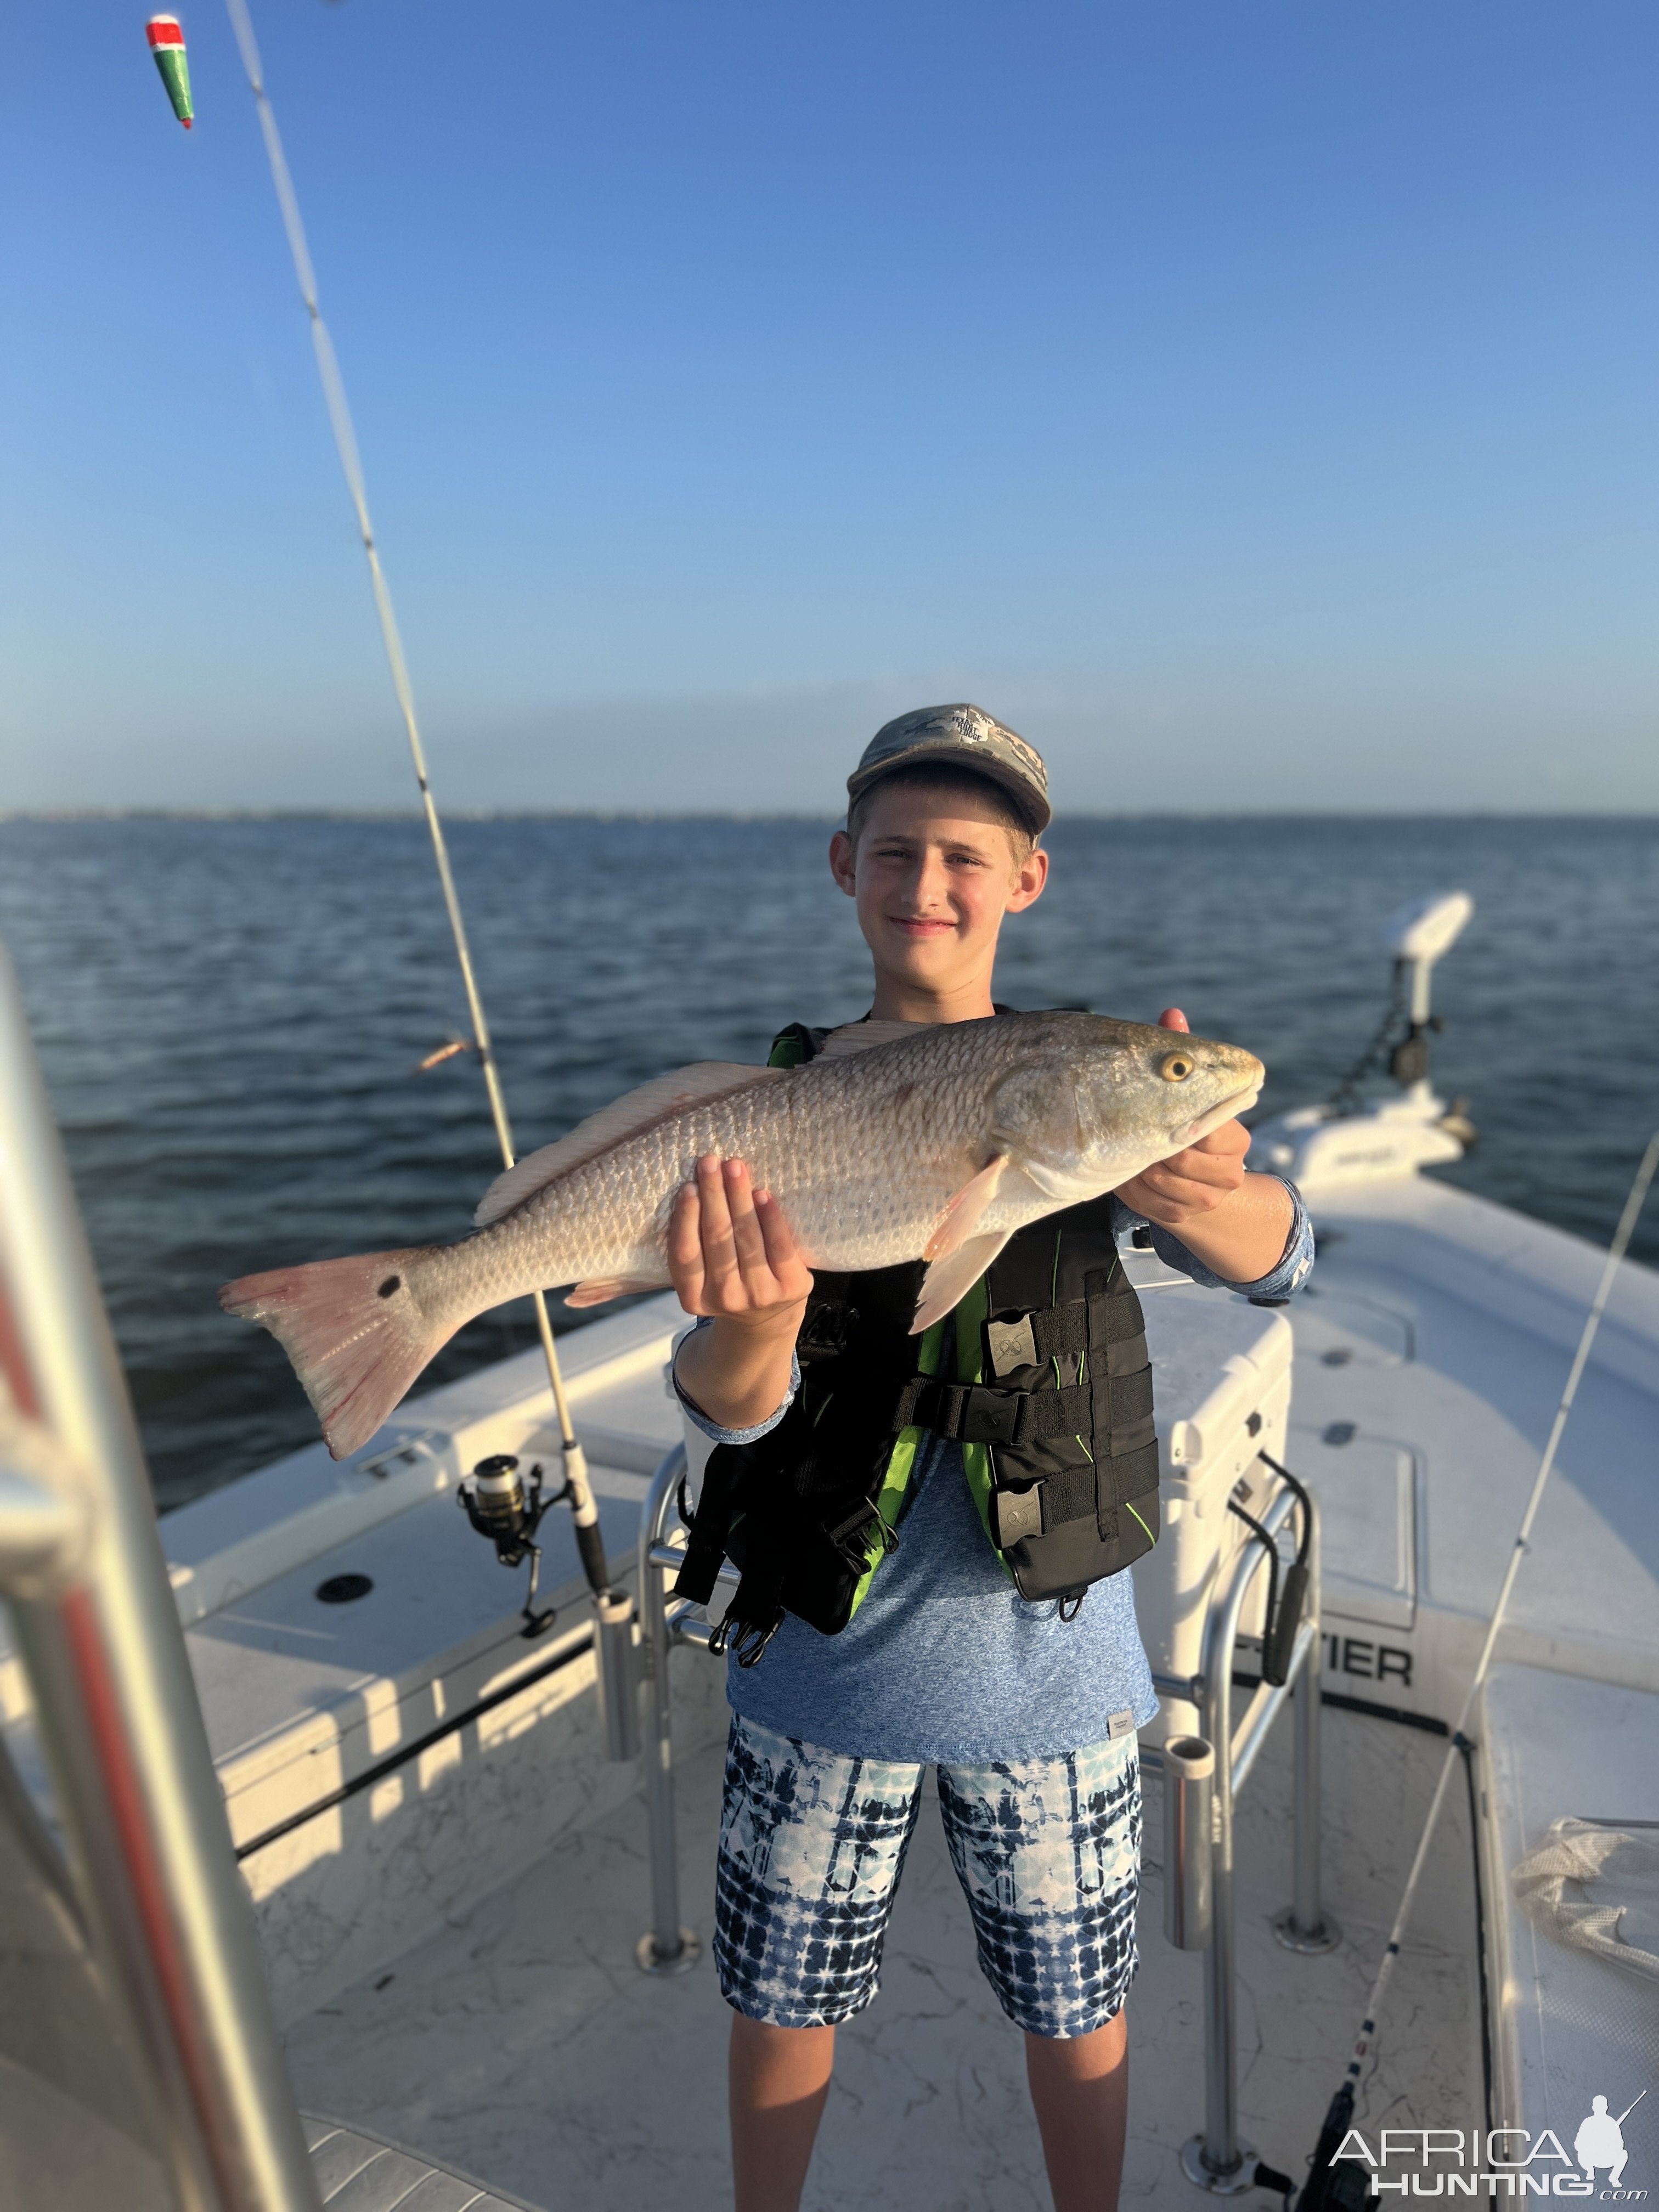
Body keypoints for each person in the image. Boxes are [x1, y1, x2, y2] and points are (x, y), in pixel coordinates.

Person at [668, 704, 1313, 2212]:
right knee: (780, 2007)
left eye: (968, 854)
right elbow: (723, 1404)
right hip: (816, 1656)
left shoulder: (1086, 1079)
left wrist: (1202, 1186)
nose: (929, 882)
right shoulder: (776, 1101)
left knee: (1076, 2008)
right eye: (897, 851)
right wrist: (754, 1326)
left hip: (1058, 1670)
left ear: (1027, 879)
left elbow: (1283, 1262)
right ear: (845, 867)